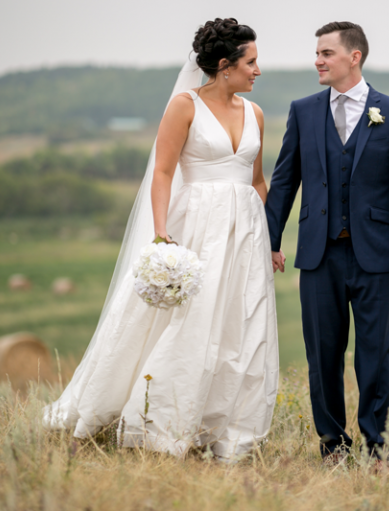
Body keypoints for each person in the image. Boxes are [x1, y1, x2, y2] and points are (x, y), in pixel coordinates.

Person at [43, 18, 279, 461]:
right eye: (252, 62)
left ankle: (223, 428)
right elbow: (164, 172)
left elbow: (258, 180)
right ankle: (157, 424)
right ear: (225, 66)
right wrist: (161, 233)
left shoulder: (256, 114)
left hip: (244, 233)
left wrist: (269, 238)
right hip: (196, 229)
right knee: (186, 323)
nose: (258, 71)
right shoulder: (184, 105)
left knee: (237, 326)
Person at [265, 22, 389, 465]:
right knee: (322, 354)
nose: (317, 60)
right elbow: (284, 181)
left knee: (376, 353)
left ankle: (378, 443)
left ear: (353, 57)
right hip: (318, 254)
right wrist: (271, 238)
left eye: (326, 53)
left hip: (374, 253)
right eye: (316, 53)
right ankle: (333, 445)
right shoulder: (302, 111)